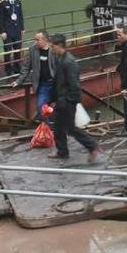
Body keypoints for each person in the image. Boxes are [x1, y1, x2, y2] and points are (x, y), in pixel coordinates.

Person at [48, 34, 99, 162]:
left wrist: (69, 100)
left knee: (70, 128)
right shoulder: (61, 59)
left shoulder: (69, 62)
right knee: (59, 127)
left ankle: (92, 146)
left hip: (67, 101)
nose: (51, 49)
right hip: (61, 99)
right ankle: (62, 151)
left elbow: (74, 84)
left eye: (53, 46)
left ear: (59, 46)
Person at [12, 30, 57, 122]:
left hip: (56, 83)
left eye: (38, 40)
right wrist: (18, 81)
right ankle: (48, 131)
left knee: (61, 108)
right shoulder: (33, 49)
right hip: (43, 85)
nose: (35, 42)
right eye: (35, 40)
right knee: (40, 107)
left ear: (45, 40)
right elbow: (26, 67)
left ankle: (62, 130)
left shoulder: (54, 49)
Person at [0, 0, 25, 76]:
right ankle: (8, 70)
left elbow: (20, 15)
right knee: (8, 51)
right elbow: (0, 19)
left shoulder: (18, 1)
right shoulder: (1, 3)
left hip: (17, 30)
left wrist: (22, 28)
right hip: (7, 31)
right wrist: (2, 32)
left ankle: (17, 68)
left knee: (17, 50)